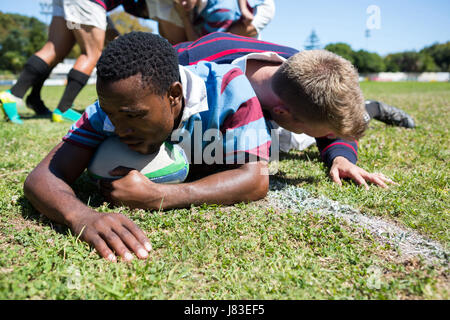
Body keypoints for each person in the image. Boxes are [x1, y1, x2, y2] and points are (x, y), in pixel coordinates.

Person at [24, 32, 272, 262]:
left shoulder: (227, 88)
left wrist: (160, 195)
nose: (120, 129)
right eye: (112, 115)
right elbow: (42, 177)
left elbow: (255, 178)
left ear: (174, 95)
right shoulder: (107, 111)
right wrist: (82, 216)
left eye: (133, 116)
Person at [174, 32, 414, 188]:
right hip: (240, 113)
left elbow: (328, 113)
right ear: (283, 112)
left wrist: (342, 157)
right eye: (323, 133)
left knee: (292, 141)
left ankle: (369, 108)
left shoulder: (308, 75)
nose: (327, 136)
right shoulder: (189, 66)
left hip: (275, 118)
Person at [0, 0, 149, 124]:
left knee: (54, 49)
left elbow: (106, 18)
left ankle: (14, 95)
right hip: (87, 3)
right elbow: (133, 7)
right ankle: (63, 108)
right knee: (91, 54)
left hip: (69, 4)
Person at [151, 0, 275, 44]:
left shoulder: (220, 11)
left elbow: (200, 47)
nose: (182, 4)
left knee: (223, 41)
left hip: (255, 13)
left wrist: (185, 18)